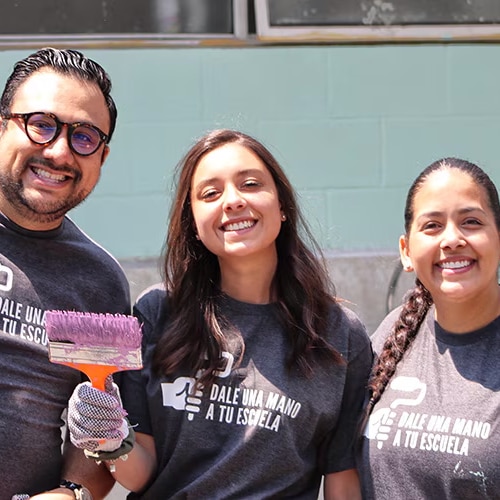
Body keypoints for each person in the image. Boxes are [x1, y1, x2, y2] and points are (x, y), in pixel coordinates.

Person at [67, 128, 373, 499]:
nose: (232, 201)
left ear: (283, 207)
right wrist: (112, 439)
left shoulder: (340, 335)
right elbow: (140, 474)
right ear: (193, 223)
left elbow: (343, 483)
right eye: (210, 193)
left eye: (250, 184)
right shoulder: (158, 312)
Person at [0, 48, 130, 499]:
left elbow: (97, 433)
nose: (58, 151)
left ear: (102, 157)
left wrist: (72, 493)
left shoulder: (101, 282)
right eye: (42, 124)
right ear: (1, 126)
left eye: (85, 137)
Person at [359, 158, 500, 499]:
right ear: (406, 252)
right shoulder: (391, 335)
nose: (452, 239)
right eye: (433, 226)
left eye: (471, 221)